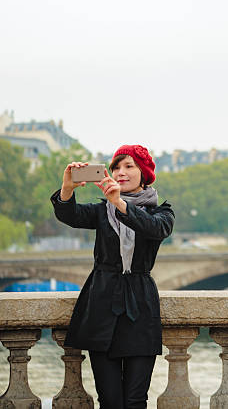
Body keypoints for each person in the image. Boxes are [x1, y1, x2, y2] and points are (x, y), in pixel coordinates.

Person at [51, 144, 175, 409]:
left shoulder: (162, 212)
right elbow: (69, 214)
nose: (121, 172)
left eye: (129, 166)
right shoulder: (101, 211)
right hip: (102, 302)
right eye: (116, 167)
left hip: (139, 306)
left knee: (134, 400)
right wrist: (67, 188)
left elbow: (155, 229)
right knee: (109, 399)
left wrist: (118, 202)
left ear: (144, 173)